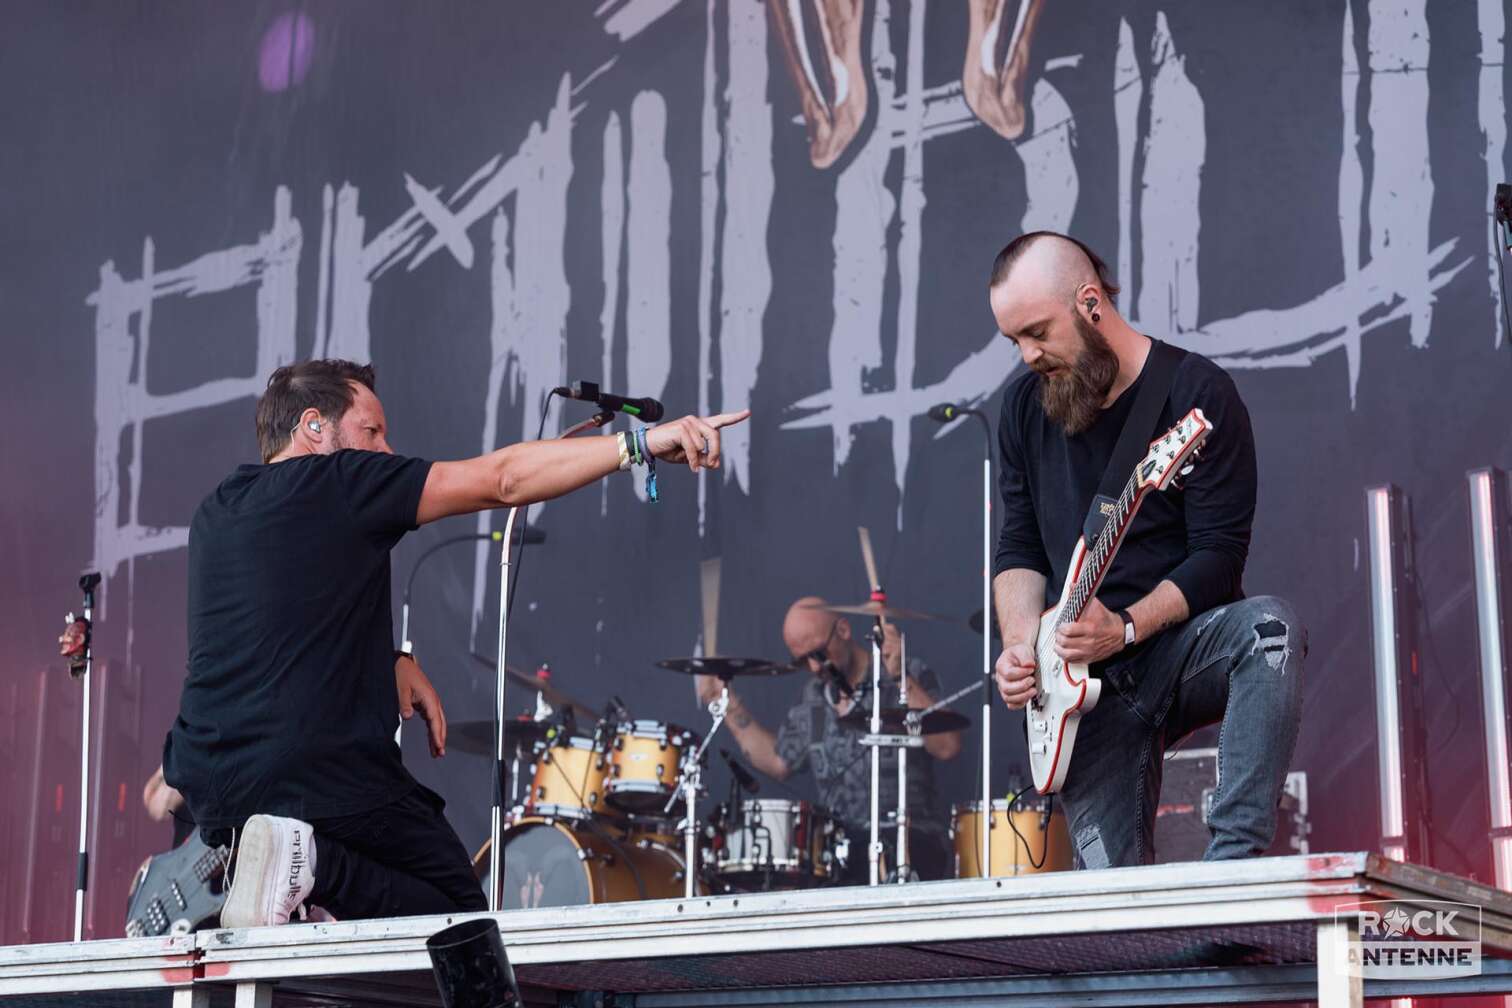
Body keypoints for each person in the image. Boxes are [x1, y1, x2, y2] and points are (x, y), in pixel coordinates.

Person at [162, 358, 748, 927]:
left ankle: (296, 864)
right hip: (310, 775)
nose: (386, 450)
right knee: (456, 914)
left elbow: (279, 624)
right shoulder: (342, 479)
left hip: (213, 786)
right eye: (372, 431)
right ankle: (309, 860)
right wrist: (639, 446)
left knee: (356, 905)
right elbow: (503, 479)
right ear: (315, 426)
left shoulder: (218, 509)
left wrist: (389, 660)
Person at [988, 231, 1304, 869]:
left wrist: (1127, 627)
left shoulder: (1197, 396)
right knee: (1111, 913)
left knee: (1270, 629)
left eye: (1038, 332)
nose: (1027, 356)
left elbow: (1218, 557)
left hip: (1174, 650)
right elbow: (1018, 541)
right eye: (1013, 340)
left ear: (1090, 303)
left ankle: (1233, 867)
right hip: (1079, 688)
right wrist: (1024, 648)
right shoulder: (1024, 408)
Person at [697, 597, 963, 881]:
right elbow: (778, 762)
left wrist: (900, 677)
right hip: (840, 854)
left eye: (819, 654)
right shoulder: (812, 697)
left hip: (910, 845)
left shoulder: (908, 672)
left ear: (844, 630)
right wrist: (728, 706)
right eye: (802, 660)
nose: (813, 667)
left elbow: (948, 745)